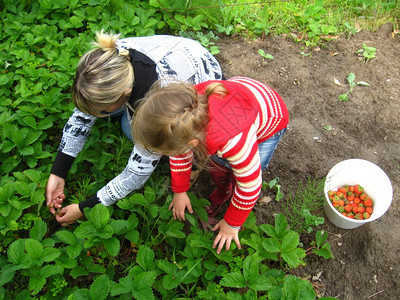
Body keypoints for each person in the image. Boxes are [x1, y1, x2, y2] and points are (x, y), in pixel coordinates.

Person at [46, 30, 224, 226]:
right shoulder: (111, 60)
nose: (92, 114)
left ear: (126, 92)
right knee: (122, 120)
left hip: (199, 75)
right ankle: (115, 111)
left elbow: (136, 172)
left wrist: (84, 207)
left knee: (131, 130)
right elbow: (81, 117)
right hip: (178, 53)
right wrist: (58, 172)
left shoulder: (156, 104)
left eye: (101, 109)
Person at [131, 77, 289, 254]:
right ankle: (224, 190)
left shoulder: (234, 142)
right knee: (220, 165)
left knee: (244, 173)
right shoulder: (184, 116)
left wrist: (232, 224)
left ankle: (233, 194)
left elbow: (250, 186)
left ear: (191, 142)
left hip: (270, 118)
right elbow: (180, 153)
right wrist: (180, 190)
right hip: (240, 97)